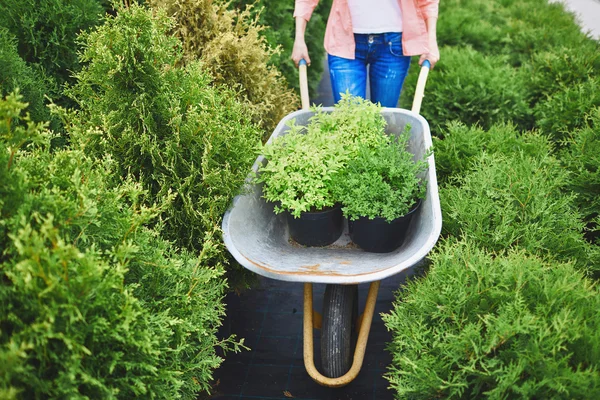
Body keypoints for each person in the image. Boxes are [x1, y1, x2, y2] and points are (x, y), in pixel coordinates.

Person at [292, 0, 440, 108]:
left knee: (384, 122)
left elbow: (428, 2)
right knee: (350, 121)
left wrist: (431, 41)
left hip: (392, 45)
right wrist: (299, 39)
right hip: (344, 41)